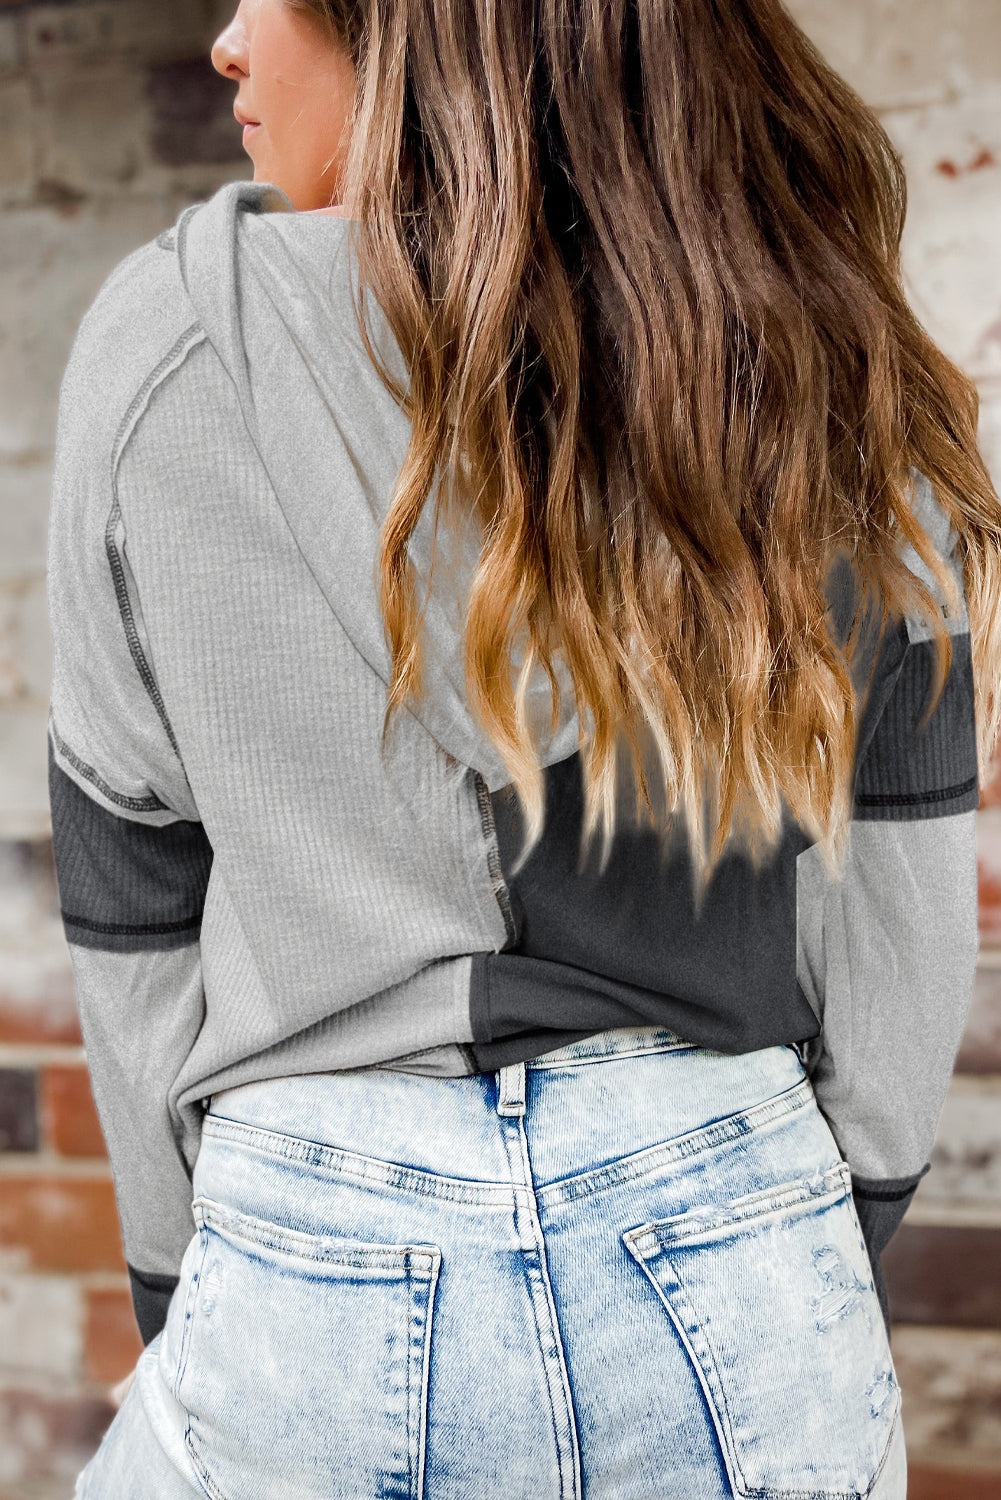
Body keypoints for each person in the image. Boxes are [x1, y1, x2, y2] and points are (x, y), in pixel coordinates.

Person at [46, 0, 1001, 1495]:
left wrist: (181, 1290)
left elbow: (129, 891)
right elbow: (903, 875)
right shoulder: (805, 336)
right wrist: (825, 1209)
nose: (227, 42)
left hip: (315, 1241)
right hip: (727, 1209)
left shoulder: (164, 345)